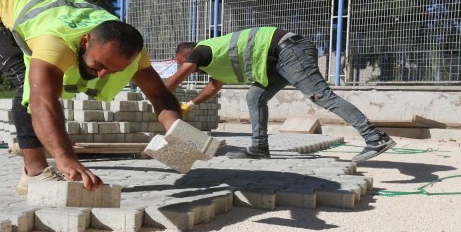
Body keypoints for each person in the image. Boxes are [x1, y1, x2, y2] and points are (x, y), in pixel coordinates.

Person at [0, 0, 180, 194]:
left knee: (49, 82)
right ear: (84, 41)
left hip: (51, 11)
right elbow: (42, 101)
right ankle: (33, 173)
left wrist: (177, 131)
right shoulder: (54, 41)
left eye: (114, 71)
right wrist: (66, 159)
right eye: (99, 65)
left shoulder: (133, 51)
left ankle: (34, 142)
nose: (101, 75)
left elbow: (159, 95)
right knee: (25, 82)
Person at [164, 27, 395, 162]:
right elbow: (213, 87)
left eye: (179, 62)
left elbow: (177, 78)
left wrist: (160, 97)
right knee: (254, 97)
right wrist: (190, 105)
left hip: (289, 50)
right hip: (276, 61)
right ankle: (259, 148)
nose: (181, 65)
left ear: (183, 56)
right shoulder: (213, 64)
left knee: (321, 96)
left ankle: (376, 137)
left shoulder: (200, 51)